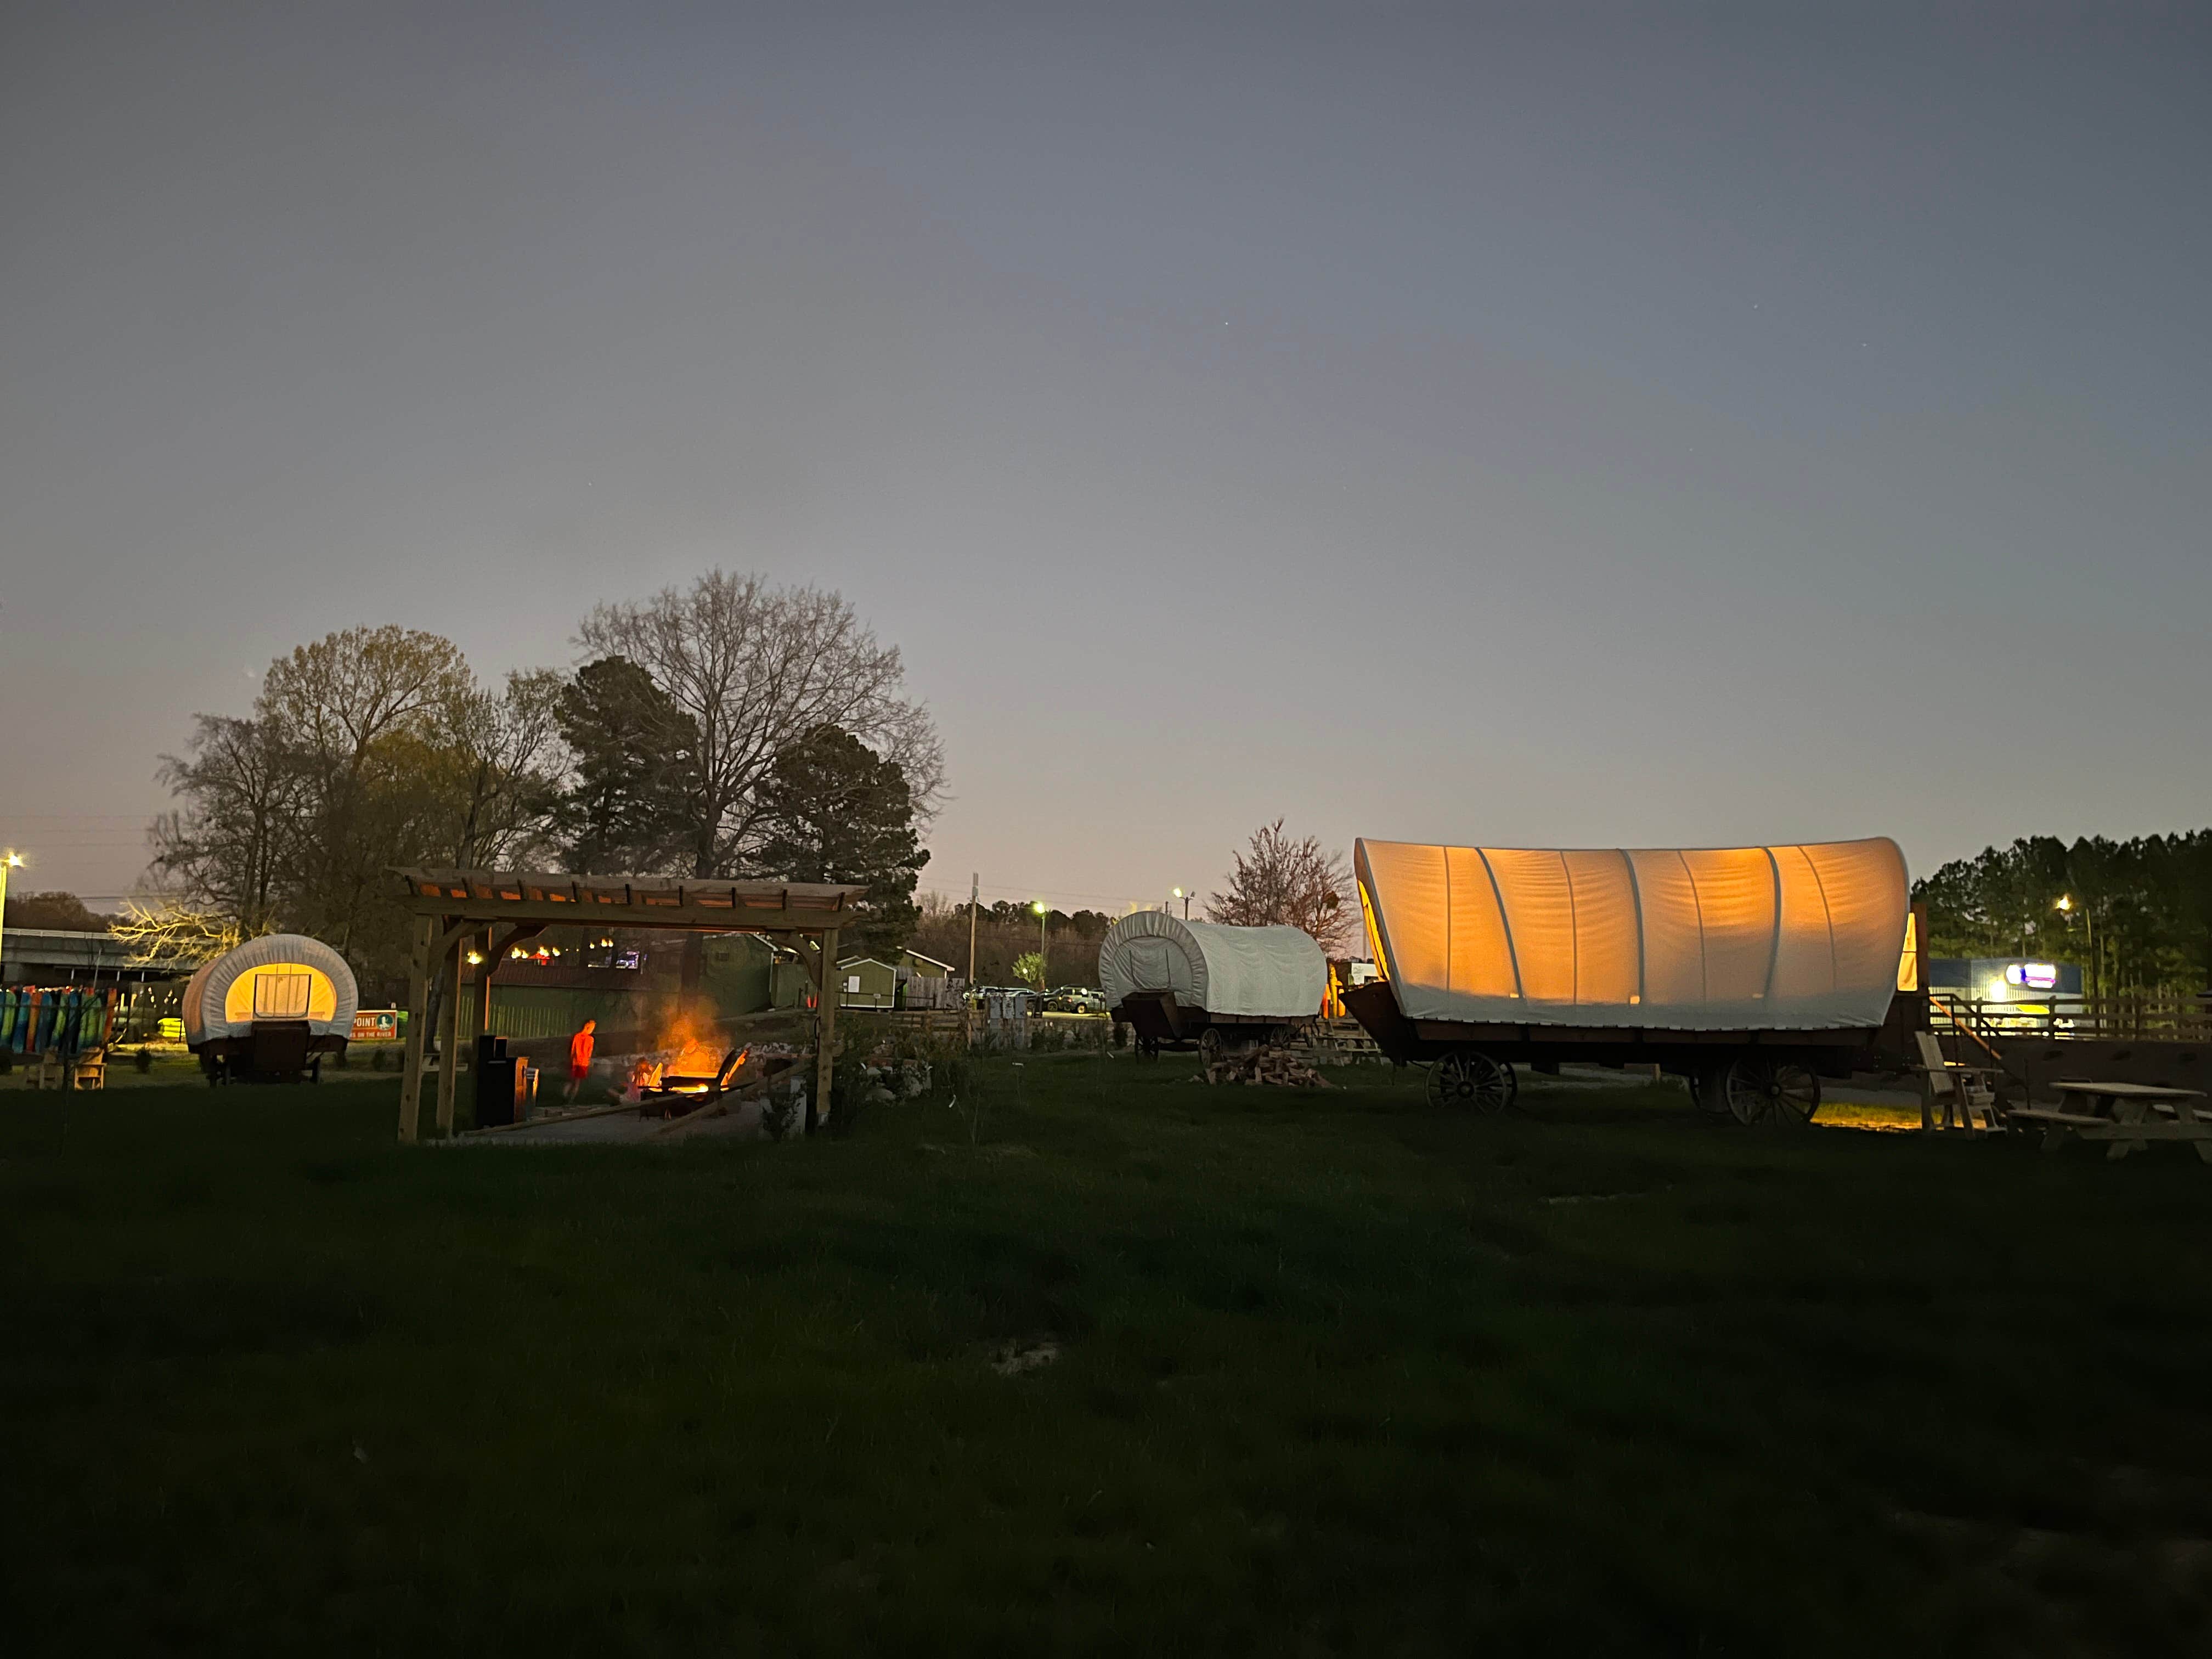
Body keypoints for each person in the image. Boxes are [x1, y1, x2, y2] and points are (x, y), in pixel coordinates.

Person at [565, 1018, 597, 1102]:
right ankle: (571, 1100)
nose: (592, 1030)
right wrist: (589, 1062)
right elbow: (589, 1053)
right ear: (588, 1028)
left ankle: (565, 1094)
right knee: (577, 1083)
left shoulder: (577, 1036)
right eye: (592, 1029)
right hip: (583, 1063)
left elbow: (573, 1051)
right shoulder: (591, 1039)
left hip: (575, 1062)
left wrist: (572, 1060)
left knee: (572, 1080)